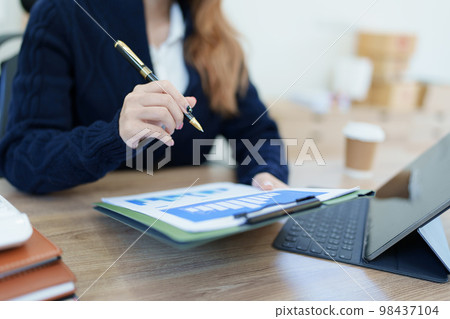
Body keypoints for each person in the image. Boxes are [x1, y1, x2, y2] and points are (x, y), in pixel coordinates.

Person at [0, 0, 288, 194]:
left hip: (196, 243)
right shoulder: (61, 11)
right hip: (90, 237)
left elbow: (259, 134)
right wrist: (114, 136)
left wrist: (264, 175)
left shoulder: (215, 36)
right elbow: (21, 156)